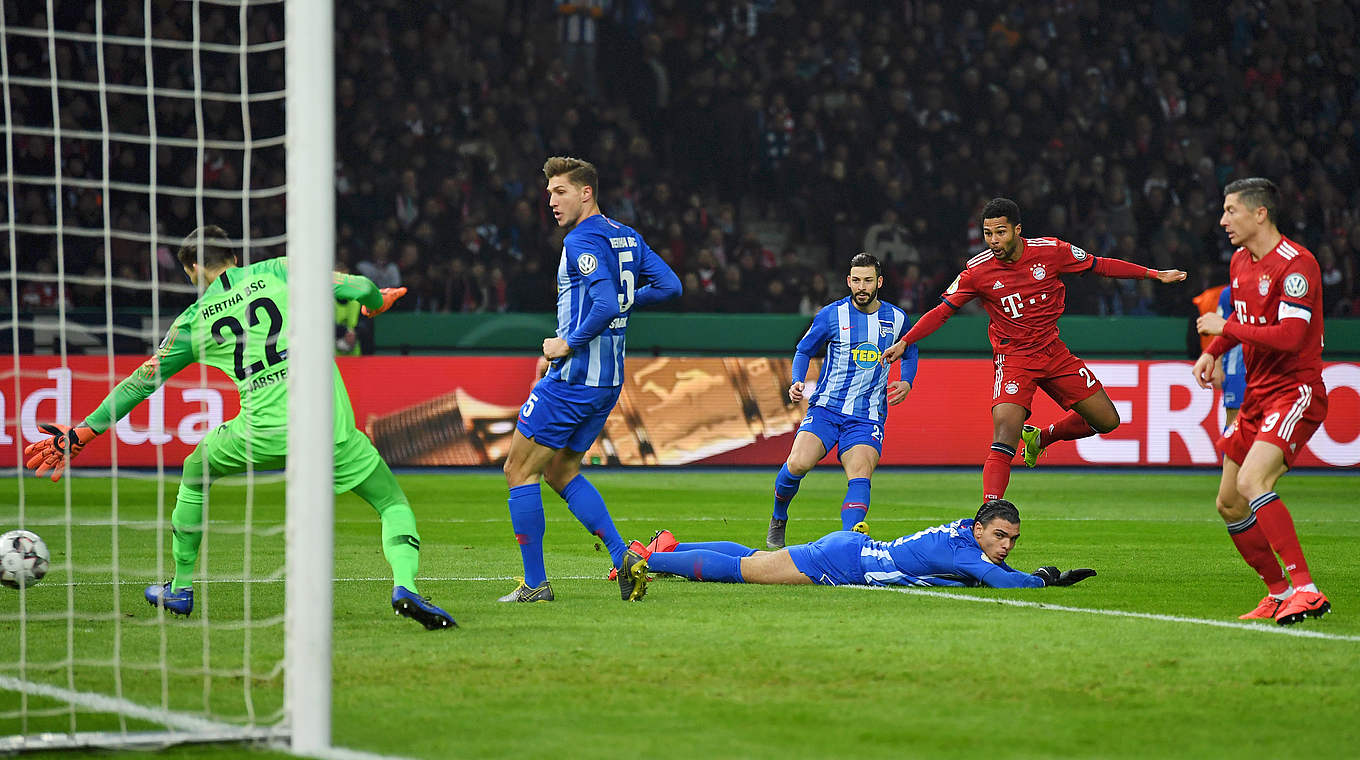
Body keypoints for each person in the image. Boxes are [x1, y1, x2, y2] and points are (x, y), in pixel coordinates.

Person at [23, 226, 455, 630]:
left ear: (193, 269)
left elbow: (141, 382)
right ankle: (405, 587)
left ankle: (180, 588)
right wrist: (374, 302)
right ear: (234, 255)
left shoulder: (192, 321)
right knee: (390, 503)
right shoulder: (281, 269)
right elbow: (361, 288)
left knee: (195, 470)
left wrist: (83, 432)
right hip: (327, 427)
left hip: (259, 434)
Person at [880, 198, 1186, 502]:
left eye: (1000, 232)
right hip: (1014, 359)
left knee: (1106, 421)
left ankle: (1041, 437)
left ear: (1017, 230)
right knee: (1004, 438)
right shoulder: (977, 271)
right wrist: (906, 340)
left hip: (1054, 351)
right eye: (988, 234)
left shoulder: (1051, 251)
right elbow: (942, 311)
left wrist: (1154, 274)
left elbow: (1099, 265)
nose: (994, 241)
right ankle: (990, 511)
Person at [499, 156, 681, 603]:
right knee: (561, 470)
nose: (551, 201)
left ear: (586, 192)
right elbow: (671, 285)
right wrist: (626, 299)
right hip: (608, 381)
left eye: (560, 192)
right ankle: (623, 558)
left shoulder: (580, 240)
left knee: (518, 470)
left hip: (574, 379)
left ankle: (535, 584)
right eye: (548, 193)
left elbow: (600, 304)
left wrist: (567, 344)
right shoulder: (627, 236)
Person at [1193, 177, 1331, 626]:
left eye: (1230, 210)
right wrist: (1213, 353)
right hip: (1256, 394)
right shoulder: (1239, 261)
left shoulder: (1297, 265)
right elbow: (1240, 318)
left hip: (1294, 392)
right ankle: (1278, 592)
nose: (1223, 219)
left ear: (1259, 213)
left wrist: (1223, 331)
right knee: (1230, 502)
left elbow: (1291, 337)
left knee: (1254, 483)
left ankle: (1307, 590)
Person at [766, 253, 918, 551]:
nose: (862, 287)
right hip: (826, 409)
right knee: (797, 464)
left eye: (868, 280)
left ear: (880, 282)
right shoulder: (831, 315)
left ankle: (849, 544)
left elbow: (909, 351)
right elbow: (803, 350)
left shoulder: (897, 318)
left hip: (867, 415)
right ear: (849, 281)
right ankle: (779, 516)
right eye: (856, 280)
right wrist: (797, 380)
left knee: (860, 473)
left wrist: (907, 381)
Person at [636, 499, 1095, 589]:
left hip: (851, 552)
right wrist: (1040, 581)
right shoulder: (964, 551)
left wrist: (1030, 575)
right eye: (1000, 535)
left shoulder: (964, 534)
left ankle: (671, 546)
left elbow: (993, 570)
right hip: (844, 561)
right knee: (749, 571)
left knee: (758, 558)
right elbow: (997, 579)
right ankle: (651, 559)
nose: (1007, 545)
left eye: (1012, 539)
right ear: (979, 531)